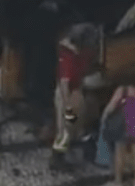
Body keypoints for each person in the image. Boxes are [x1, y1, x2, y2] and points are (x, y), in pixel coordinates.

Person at [102, 67, 135, 186]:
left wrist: (104, 117)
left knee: (119, 152)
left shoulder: (123, 89)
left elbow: (111, 106)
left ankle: (119, 180)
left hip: (123, 124)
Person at [50, 28, 88, 170]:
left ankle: (62, 154)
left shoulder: (73, 55)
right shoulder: (69, 58)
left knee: (70, 127)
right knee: (65, 128)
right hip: (66, 96)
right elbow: (64, 83)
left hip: (73, 93)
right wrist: (67, 105)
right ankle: (57, 158)